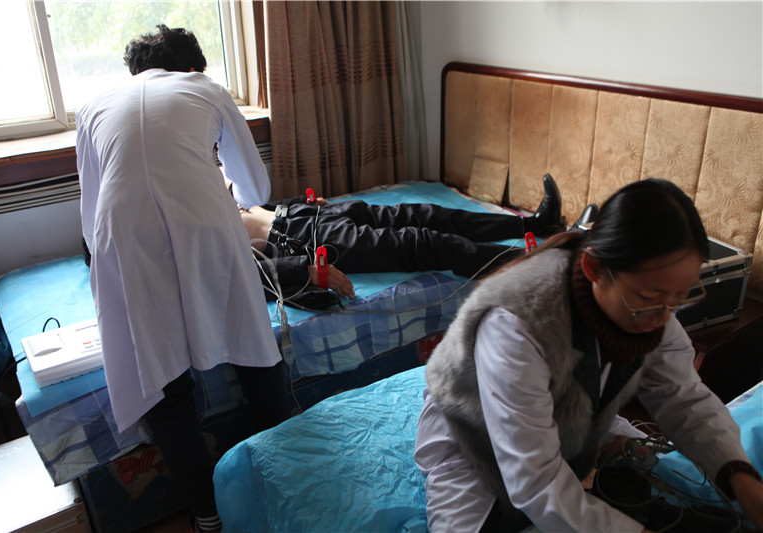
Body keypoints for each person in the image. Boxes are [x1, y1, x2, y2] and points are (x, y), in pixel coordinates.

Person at [414, 178, 763, 532]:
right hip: (472, 436)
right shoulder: (517, 324)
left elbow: (683, 397)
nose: (664, 317)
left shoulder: (650, 307)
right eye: (650, 297)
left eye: (680, 297)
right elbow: (536, 482)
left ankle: (604, 443)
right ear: (594, 269)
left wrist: (740, 476)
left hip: (558, 418)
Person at [76, 25, 290, 533]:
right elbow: (255, 188)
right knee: (256, 355)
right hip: (204, 223)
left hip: (124, 235)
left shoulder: (92, 107)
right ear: (192, 67)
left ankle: (206, 517)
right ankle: (286, 487)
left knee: (168, 389)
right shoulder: (205, 89)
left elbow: (90, 211)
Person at [240, 174, 578, 303]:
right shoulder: (205, 235)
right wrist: (305, 270)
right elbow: (240, 272)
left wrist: (300, 202)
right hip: (301, 240)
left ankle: (536, 224)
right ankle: (535, 264)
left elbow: (255, 211)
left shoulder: (211, 191)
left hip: (301, 215)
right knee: (423, 243)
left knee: (425, 213)